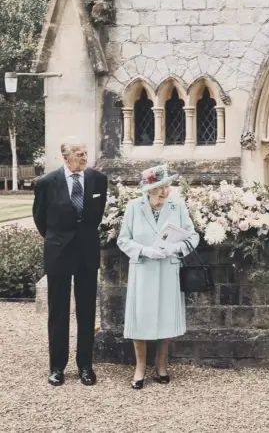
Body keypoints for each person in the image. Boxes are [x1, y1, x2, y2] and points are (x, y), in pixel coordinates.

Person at [33, 138, 107, 387]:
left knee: (86, 312)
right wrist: (58, 240)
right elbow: (40, 219)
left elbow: (96, 216)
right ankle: (57, 367)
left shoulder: (98, 180)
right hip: (58, 252)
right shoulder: (46, 183)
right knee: (58, 311)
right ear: (65, 157)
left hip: (87, 252)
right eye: (79, 154)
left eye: (86, 153)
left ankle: (85, 366)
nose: (84, 157)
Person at [117, 163, 199, 389]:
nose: (166, 191)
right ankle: (140, 367)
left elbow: (193, 237)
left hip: (167, 268)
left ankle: (161, 365)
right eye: (161, 187)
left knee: (165, 317)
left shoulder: (177, 205)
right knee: (140, 318)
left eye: (168, 185)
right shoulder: (134, 207)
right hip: (143, 268)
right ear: (148, 189)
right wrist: (144, 250)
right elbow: (123, 240)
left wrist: (176, 249)